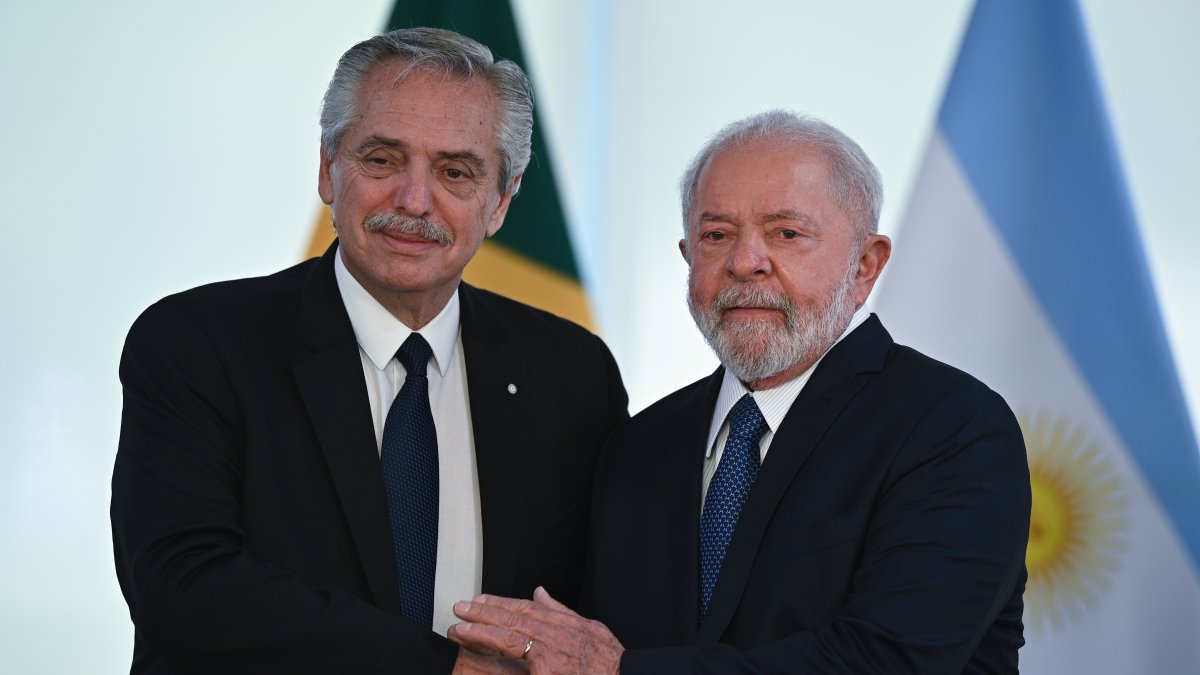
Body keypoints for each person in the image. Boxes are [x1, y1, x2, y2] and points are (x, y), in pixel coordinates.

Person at [110, 28, 627, 674]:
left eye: (455, 171)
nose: (413, 200)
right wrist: (444, 668)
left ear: (500, 201)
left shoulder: (571, 374)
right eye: (382, 160)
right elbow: (184, 588)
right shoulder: (197, 344)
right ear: (329, 170)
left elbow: (601, 607)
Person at [448, 110, 1031, 673]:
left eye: (786, 233)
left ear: (865, 266)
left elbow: (888, 659)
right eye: (717, 234)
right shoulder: (638, 446)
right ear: (687, 258)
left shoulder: (953, 429)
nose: (745, 262)